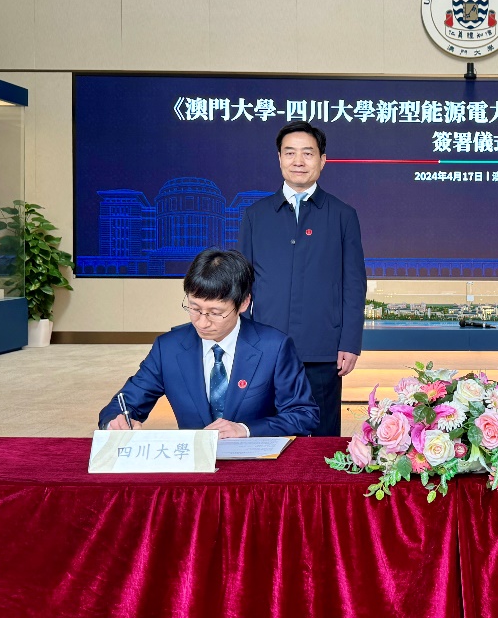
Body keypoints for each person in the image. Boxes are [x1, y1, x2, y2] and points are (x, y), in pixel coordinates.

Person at [98, 248, 319, 437]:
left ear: (244, 303)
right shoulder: (168, 348)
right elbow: (122, 405)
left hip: (256, 463)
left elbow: (304, 415)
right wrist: (115, 423)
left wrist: (245, 429)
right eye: (194, 308)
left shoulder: (274, 347)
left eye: (215, 312)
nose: (202, 322)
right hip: (195, 465)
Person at [239, 120, 366, 437]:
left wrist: (350, 342)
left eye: (308, 153)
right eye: (290, 153)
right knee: (264, 436)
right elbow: (242, 285)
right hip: (265, 348)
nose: (298, 161)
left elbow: (353, 285)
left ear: (322, 160)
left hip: (323, 348)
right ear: (279, 158)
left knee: (321, 439)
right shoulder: (255, 215)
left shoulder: (343, 215)